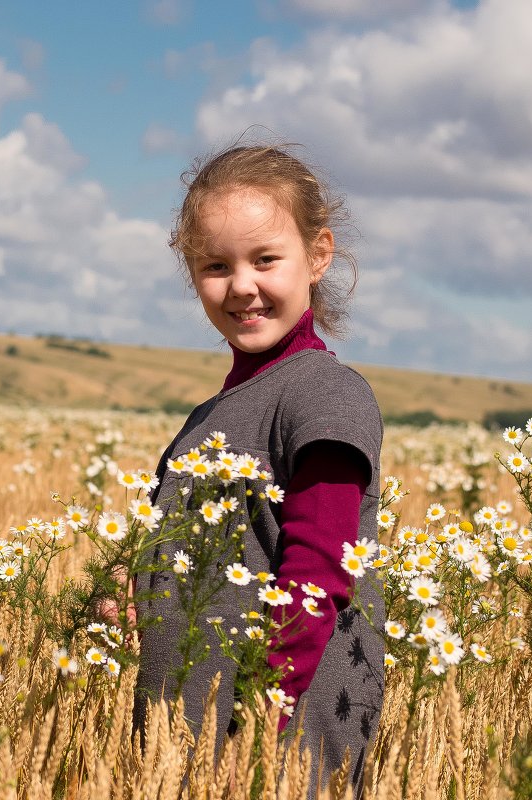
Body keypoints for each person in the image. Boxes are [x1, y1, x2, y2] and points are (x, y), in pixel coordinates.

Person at [132, 143, 385, 791]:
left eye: (265, 259)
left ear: (319, 254)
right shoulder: (206, 419)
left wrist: (260, 716)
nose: (241, 285)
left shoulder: (324, 396)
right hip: (191, 751)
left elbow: (316, 571)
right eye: (216, 265)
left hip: (274, 755)